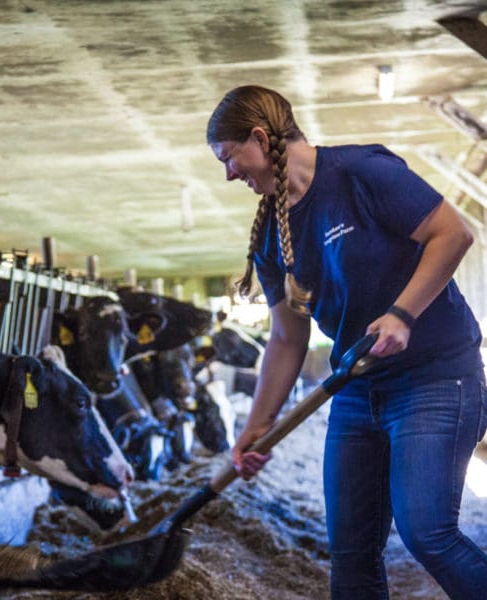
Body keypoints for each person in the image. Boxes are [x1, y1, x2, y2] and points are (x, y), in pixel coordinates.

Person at [206, 84, 487, 599]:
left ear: (259, 137)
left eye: (229, 158)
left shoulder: (361, 173)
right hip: (356, 391)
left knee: (428, 532)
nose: (229, 173)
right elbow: (287, 341)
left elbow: (454, 234)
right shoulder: (271, 234)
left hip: (436, 376)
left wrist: (402, 314)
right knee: (352, 552)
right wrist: (256, 427)